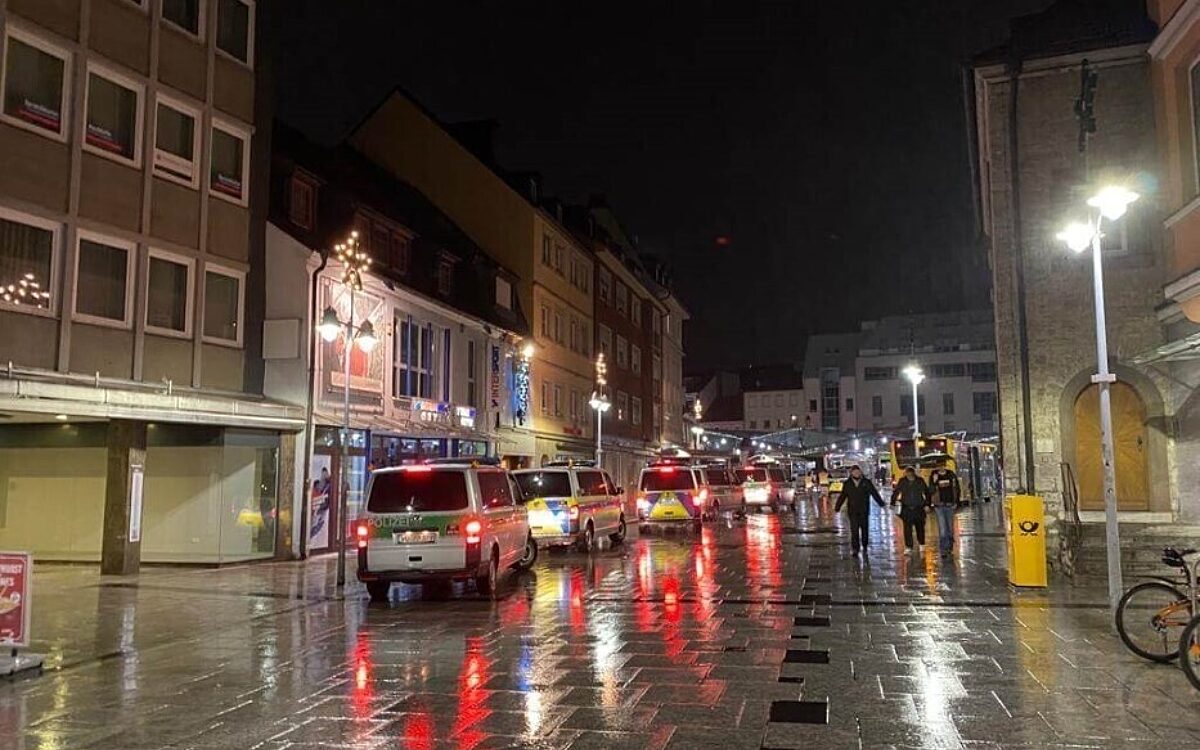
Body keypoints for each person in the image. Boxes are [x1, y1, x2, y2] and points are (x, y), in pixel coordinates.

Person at [834, 465, 887, 556]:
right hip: (852, 511)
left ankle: (865, 545)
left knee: (864, 529)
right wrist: (837, 507)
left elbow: (874, 493)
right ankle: (855, 548)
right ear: (851, 473)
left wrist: (881, 503)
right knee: (854, 530)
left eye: (858, 472)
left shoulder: (866, 482)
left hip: (864, 510)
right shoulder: (847, 484)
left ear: (860, 472)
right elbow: (843, 496)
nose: (857, 473)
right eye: (855, 472)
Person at [892, 466, 930, 555]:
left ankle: (921, 543)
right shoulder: (902, 481)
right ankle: (909, 546)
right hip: (907, 508)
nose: (908, 475)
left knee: (920, 527)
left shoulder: (920, 481)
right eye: (907, 473)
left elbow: (926, 492)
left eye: (909, 473)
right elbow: (896, 492)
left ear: (913, 473)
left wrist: (927, 504)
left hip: (919, 508)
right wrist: (892, 503)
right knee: (907, 528)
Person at [928, 464, 962, 558]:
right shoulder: (933, 476)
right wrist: (934, 482)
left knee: (950, 529)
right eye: (938, 465)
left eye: (942, 465)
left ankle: (950, 547)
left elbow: (956, 489)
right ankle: (944, 549)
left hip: (950, 505)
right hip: (939, 506)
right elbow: (930, 491)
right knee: (943, 529)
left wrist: (957, 502)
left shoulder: (951, 475)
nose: (940, 467)